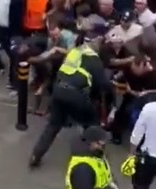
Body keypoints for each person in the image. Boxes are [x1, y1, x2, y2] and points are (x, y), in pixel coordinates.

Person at [29, 39, 112, 168]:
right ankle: (97, 155)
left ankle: (36, 155)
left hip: (58, 90)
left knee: (53, 126)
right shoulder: (94, 59)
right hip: (76, 94)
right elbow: (102, 84)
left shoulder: (75, 52)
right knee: (91, 123)